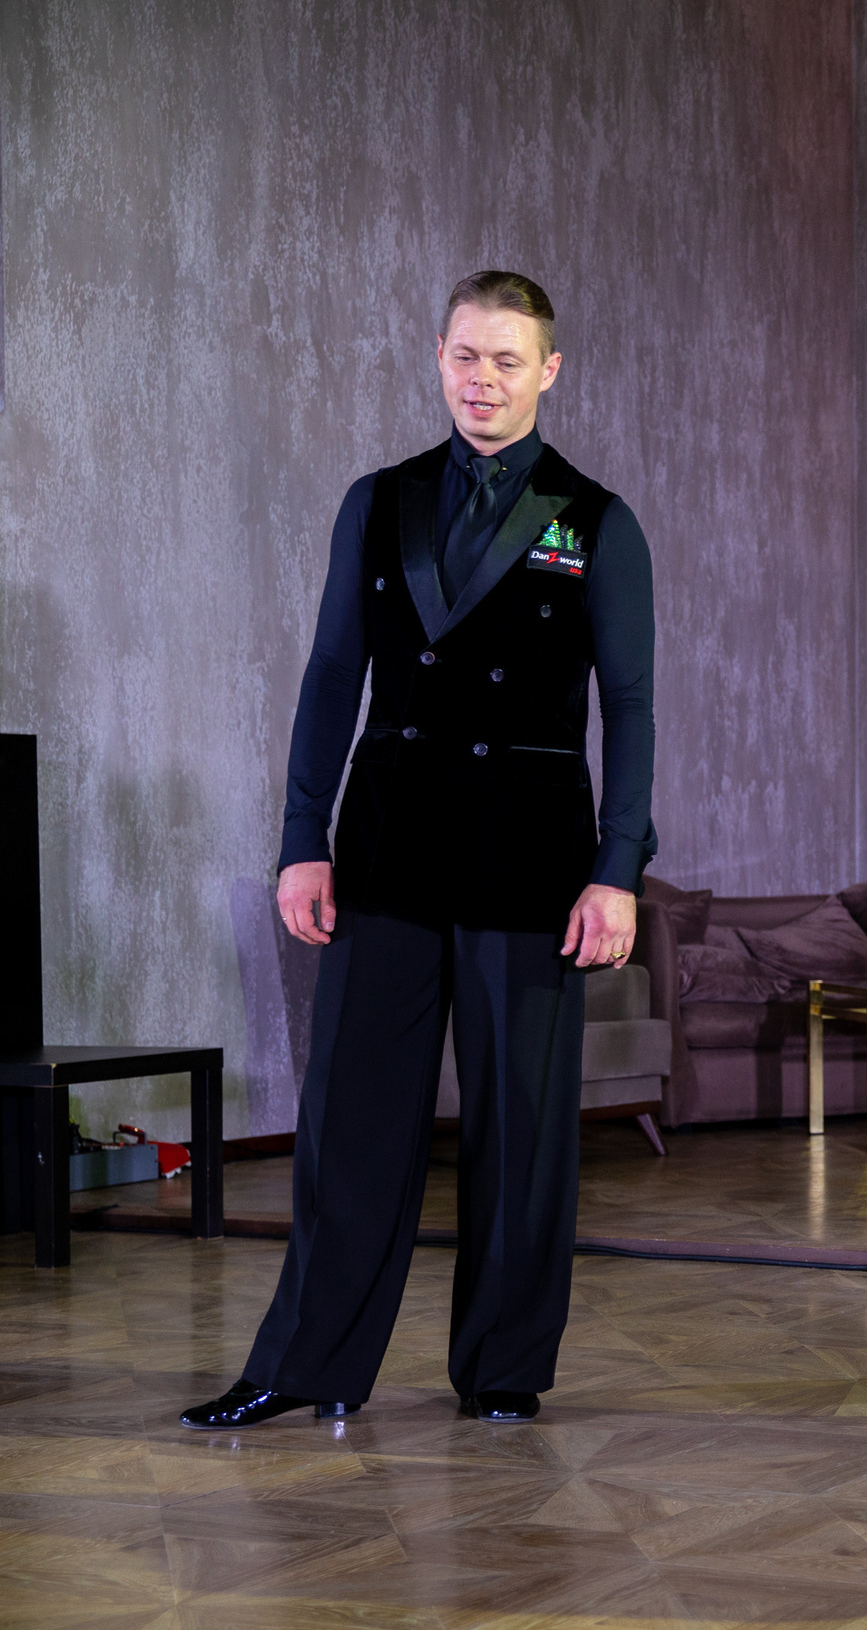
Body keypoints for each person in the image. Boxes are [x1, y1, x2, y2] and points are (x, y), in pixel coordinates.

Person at [181, 271, 655, 1431]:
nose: (482, 380)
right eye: (465, 358)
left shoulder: (596, 518)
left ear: (550, 371)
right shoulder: (377, 500)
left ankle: (502, 1372)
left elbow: (631, 708)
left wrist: (618, 868)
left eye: (508, 361)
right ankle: (303, 1365)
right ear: (437, 358)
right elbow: (331, 675)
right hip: (387, 843)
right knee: (350, 1119)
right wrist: (303, 840)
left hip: (530, 859)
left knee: (520, 1132)